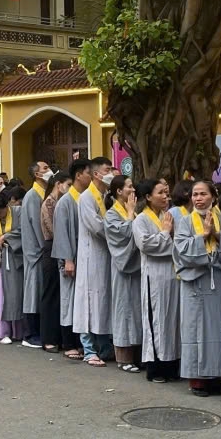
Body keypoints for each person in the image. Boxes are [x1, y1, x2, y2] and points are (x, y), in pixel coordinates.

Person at [174, 179, 221, 397]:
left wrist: (216, 234)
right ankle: (197, 380)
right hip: (196, 284)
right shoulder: (185, 222)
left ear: (213, 196)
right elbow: (181, 250)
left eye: (202, 194)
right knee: (196, 332)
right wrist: (203, 237)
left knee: (216, 330)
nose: (198, 198)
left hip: (218, 283)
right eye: (195, 194)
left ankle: (215, 377)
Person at [135, 178, 181, 382]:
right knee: (156, 321)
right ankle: (155, 368)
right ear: (147, 197)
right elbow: (146, 245)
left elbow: (178, 244)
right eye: (160, 193)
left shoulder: (168, 216)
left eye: (166, 192)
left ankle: (172, 365)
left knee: (172, 321)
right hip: (154, 276)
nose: (165, 197)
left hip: (172, 275)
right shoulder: (141, 220)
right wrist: (164, 233)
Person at [74, 157, 115, 365]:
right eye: (107, 170)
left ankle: (104, 345)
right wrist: (118, 230)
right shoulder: (86, 198)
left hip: (106, 255)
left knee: (102, 301)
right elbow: (97, 227)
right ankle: (89, 348)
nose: (110, 173)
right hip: (91, 256)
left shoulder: (106, 195)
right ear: (96, 174)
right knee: (88, 302)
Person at [105, 175, 142, 373]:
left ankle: (137, 354)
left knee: (136, 309)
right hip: (123, 268)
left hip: (137, 268)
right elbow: (121, 237)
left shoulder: (134, 212)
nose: (133, 190)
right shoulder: (112, 214)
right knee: (124, 309)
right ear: (119, 191)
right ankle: (123, 357)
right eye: (129, 187)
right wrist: (129, 215)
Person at [53, 161, 90, 359]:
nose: (91, 176)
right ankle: (68, 343)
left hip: (84, 257)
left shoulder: (86, 198)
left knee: (81, 301)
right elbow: (61, 233)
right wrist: (67, 259)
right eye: (88, 173)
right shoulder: (66, 202)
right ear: (78, 175)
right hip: (70, 258)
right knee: (68, 301)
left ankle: (81, 341)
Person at [19, 161, 52, 349]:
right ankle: (30, 333)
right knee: (33, 293)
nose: (49, 171)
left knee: (41, 293)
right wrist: (46, 246)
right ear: (37, 175)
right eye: (45, 169)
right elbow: (37, 225)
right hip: (36, 252)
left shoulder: (44, 193)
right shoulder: (32, 196)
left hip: (42, 250)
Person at [38, 171, 71, 352]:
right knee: (50, 294)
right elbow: (53, 230)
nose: (69, 188)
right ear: (58, 184)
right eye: (67, 184)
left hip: (61, 248)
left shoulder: (60, 203)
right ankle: (48, 338)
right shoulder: (49, 204)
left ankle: (57, 336)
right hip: (52, 249)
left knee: (60, 296)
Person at [0, 189, 26, 344]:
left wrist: (6, 236)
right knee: (1, 297)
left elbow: (24, 230)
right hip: (0, 263)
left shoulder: (18, 212)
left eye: (0, 212)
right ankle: (2, 331)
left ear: (7, 206)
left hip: (16, 260)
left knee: (17, 296)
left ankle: (19, 331)